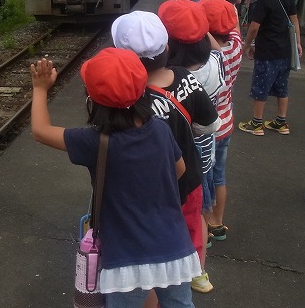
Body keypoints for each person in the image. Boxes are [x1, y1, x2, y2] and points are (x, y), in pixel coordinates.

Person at [30, 47, 201, 306]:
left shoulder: (94, 142)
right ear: (143, 90)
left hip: (127, 258)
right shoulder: (160, 130)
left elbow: (41, 131)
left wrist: (40, 88)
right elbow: (180, 170)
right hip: (173, 248)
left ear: (92, 99)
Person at [110, 11, 219, 304]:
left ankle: (151, 296)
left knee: (147, 253)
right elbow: (210, 125)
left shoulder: (125, 102)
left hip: (145, 197)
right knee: (186, 235)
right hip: (187, 185)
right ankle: (191, 275)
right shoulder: (185, 77)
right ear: (167, 47)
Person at [158, 0, 224, 293]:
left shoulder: (174, 78)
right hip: (204, 154)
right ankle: (197, 271)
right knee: (196, 215)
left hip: (178, 160)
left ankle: (168, 268)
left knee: (174, 213)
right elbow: (210, 124)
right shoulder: (216, 62)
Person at [238, 0, 302, 136]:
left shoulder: (264, 0)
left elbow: (254, 28)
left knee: (261, 86)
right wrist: (297, 42)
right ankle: (281, 122)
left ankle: (256, 123)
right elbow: (295, 20)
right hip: (285, 51)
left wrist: (247, 45)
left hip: (267, 51)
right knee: (282, 86)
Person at [198, 0, 243, 243]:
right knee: (220, 176)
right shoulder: (236, 45)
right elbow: (232, 25)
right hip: (226, 121)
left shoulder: (210, 59)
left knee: (205, 177)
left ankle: (203, 225)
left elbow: (211, 44)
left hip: (209, 128)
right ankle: (218, 222)